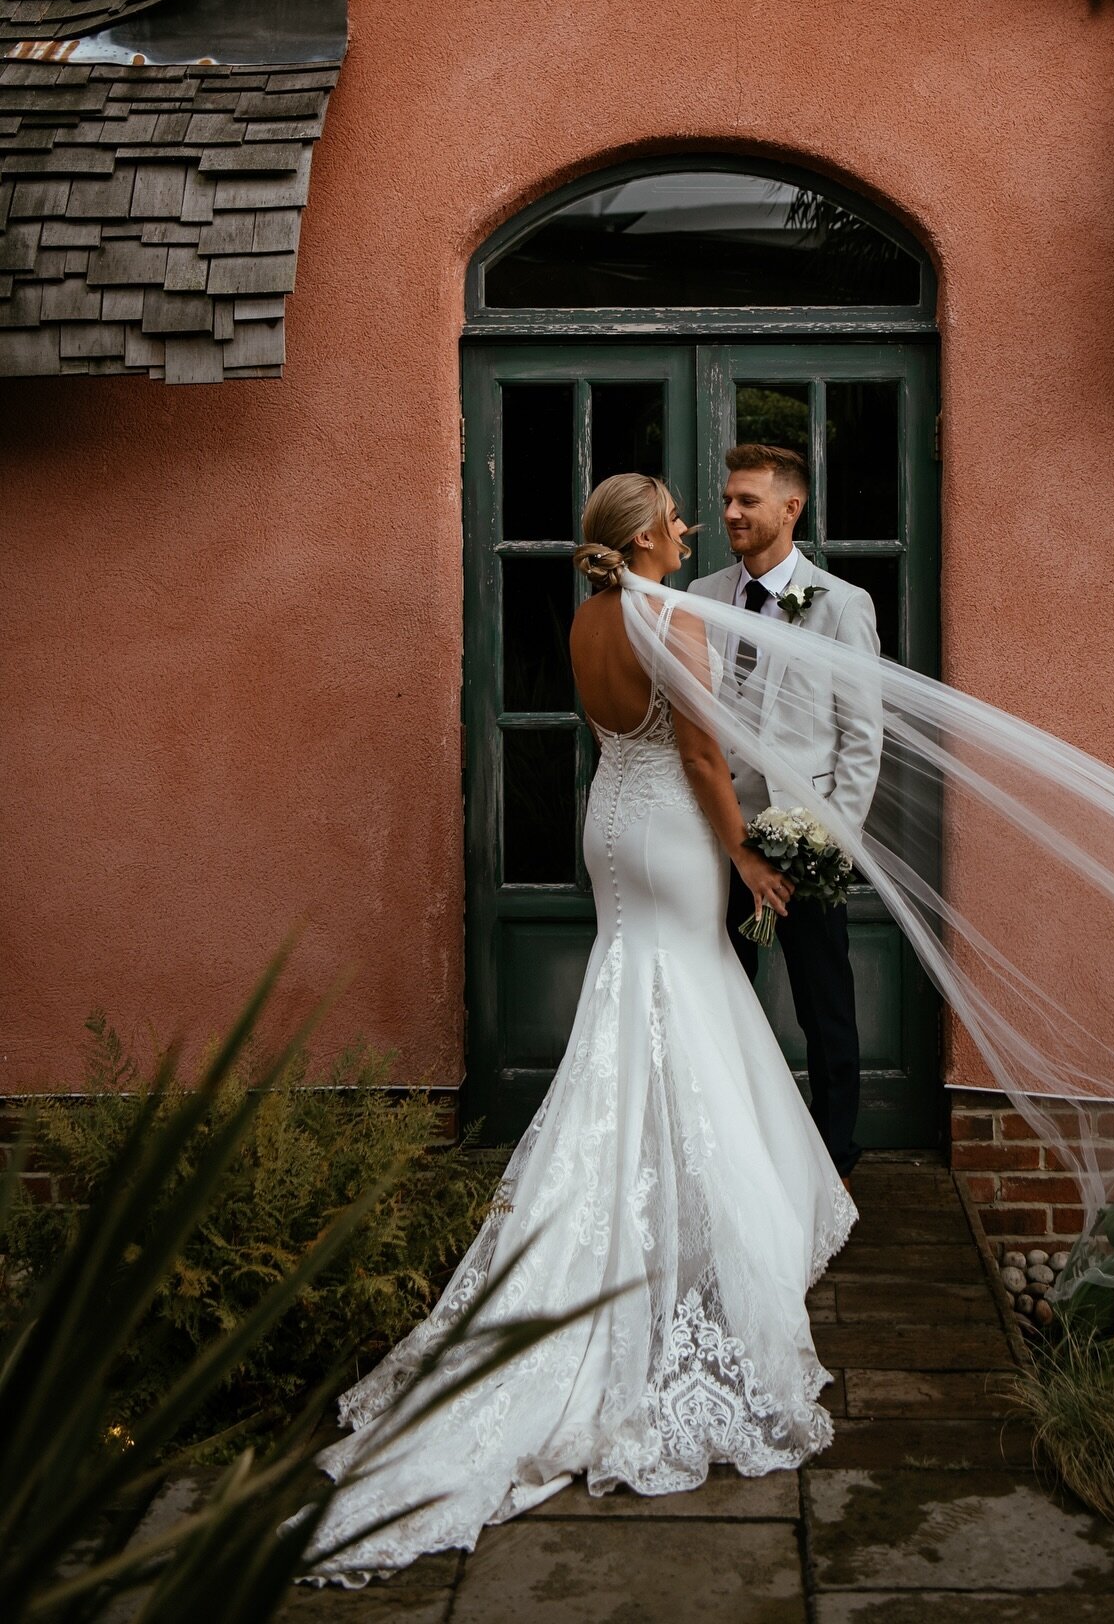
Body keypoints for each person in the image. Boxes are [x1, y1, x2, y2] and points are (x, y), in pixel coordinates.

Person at [298, 473, 857, 1586]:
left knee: (634, 1003)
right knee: (686, 1003)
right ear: (648, 538)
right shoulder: (673, 613)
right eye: (679, 520)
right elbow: (700, 756)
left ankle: (636, 1216)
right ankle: (694, 1242)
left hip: (613, 827)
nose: (695, 529)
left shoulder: (592, 616)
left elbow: (631, 739)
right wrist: (747, 851)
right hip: (672, 831)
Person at [688, 444, 881, 1186]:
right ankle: (734, 1148)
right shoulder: (703, 591)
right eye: (728, 499)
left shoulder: (841, 604)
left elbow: (862, 737)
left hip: (804, 837)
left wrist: (831, 841)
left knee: (823, 1002)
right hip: (718, 839)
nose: (731, 513)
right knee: (722, 993)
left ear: (790, 509)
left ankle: (834, 1155)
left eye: (747, 502)